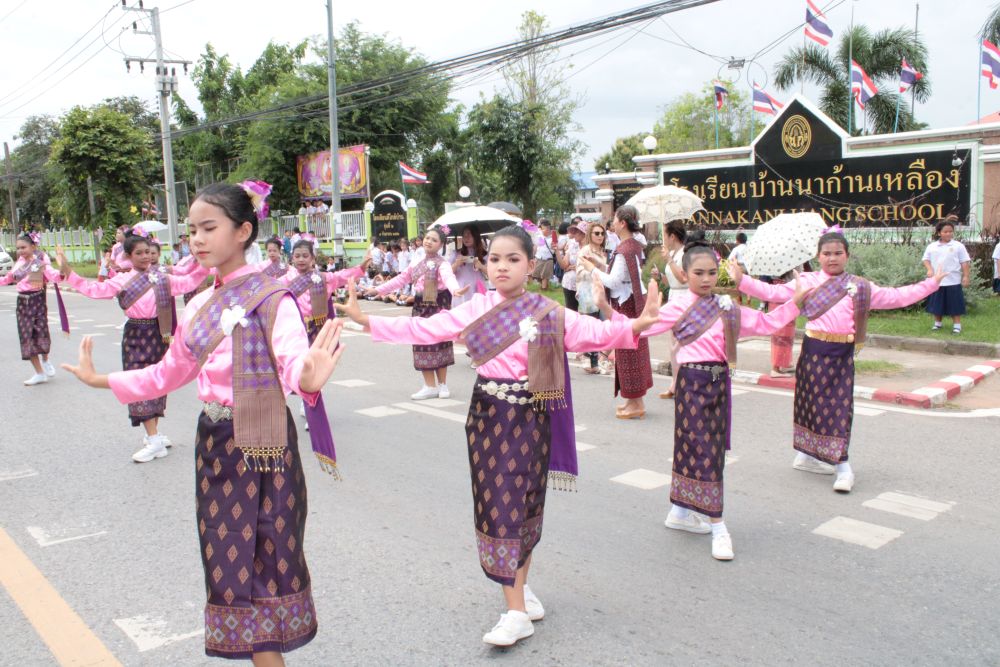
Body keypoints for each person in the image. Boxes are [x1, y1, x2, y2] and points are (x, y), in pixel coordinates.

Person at [336, 224, 662, 647]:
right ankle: (517, 604)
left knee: (524, 506)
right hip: (489, 419)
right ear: (485, 264)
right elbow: (426, 330)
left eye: (513, 259)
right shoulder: (476, 308)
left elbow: (595, 334)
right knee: (499, 508)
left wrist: (636, 325)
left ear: (531, 264)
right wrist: (367, 321)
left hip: (532, 420)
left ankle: (517, 603)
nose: (502, 267)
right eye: (494, 259)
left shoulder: (549, 312)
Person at [61, 182, 345, 664]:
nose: (196, 239)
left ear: (244, 231)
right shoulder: (197, 305)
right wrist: (103, 380)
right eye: (192, 230)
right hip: (215, 447)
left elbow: (294, 359)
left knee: (268, 568)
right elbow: (169, 372)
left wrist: (306, 379)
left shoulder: (274, 299)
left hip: (266, 448)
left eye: (209, 228)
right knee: (229, 568)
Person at [730, 230, 945, 493]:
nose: (832, 258)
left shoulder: (860, 286)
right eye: (827, 253)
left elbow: (896, 296)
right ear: (818, 256)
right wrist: (742, 280)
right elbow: (772, 292)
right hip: (813, 352)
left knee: (839, 409)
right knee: (809, 405)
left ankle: (842, 466)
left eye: (838, 253)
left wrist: (931, 284)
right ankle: (806, 455)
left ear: (847, 255)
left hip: (842, 355)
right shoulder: (806, 281)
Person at [642, 239, 809, 561]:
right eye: (698, 273)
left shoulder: (727, 308)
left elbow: (767, 322)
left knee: (708, 449)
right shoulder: (677, 307)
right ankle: (717, 525)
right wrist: (616, 316)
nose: (706, 279)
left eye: (711, 272)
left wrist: (795, 303)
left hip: (719, 384)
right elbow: (639, 329)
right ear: (684, 274)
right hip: (691, 384)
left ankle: (679, 511)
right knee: (700, 449)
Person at [57, 229, 210, 462]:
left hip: (158, 334)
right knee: (137, 382)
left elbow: (189, 282)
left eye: (148, 252)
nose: (145, 256)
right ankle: (154, 437)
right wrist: (69, 272)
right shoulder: (122, 280)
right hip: (135, 335)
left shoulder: (162, 277)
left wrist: (207, 264)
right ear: (128, 256)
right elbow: (94, 290)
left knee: (156, 382)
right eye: (139, 253)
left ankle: (153, 436)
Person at [367, 228, 469, 399]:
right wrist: (378, 290)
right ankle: (430, 386)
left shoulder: (443, 264)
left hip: (439, 305)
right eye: (427, 238)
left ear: (441, 245)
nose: (429, 241)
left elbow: (448, 278)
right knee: (422, 343)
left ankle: (443, 385)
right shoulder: (416, 263)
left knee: (441, 342)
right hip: (421, 305)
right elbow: (401, 279)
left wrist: (455, 290)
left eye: (434, 240)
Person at [582, 205, 652, 419]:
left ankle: (635, 403)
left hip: (626, 305)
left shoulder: (624, 249)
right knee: (632, 353)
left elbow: (614, 281)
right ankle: (634, 401)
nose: (611, 223)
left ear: (622, 223)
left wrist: (592, 270)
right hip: (632, 302)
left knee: (629, 354)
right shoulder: (634, 245)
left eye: (614, 219)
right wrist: (599, 265)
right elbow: (621, 275)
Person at [0, 232, 67, 385]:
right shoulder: (19, 264)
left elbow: (56, 276)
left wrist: (63, 264)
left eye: (23, 247)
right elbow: (7, 279)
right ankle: (39, 373)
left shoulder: (40, 263)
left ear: (33, 246)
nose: (20, 251)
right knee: (27, 338)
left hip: (37, 301)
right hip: (22, 303)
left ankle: (46, 359)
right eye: (18, 248)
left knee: (41, 334)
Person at [650, 220, 688, 399]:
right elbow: (671, 281)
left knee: (681, 343)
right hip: (673, 296)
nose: (663, 238)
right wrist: (660, 276)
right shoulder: (672, 253)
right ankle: (675, 382)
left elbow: (683, 278)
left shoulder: (685, 253)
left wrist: (669, 260)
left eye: (664, 234)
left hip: (684, 299)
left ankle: (682, 383)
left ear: (672, 236)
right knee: (673, 344)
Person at [922, 219, 971, 334]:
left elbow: (964, 262)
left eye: (950, 231)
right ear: (939, 233)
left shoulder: (958, 246)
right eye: (945, 232)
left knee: (955, 304)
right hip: (937, 281)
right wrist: (929, 269)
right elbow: (926, 259)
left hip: (953, 281)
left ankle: (957, 326)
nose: (948, 234)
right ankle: (937, 324)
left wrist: (966, 276)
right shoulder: (932, 246)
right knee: (937, 304)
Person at [576, 221, 609, 375]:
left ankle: (596, 360)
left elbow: (607, 272)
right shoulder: (585, 251)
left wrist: (599, 269)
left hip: (601, 292)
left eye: (602, 233)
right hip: (587, 292)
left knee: (603, 326)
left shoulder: (603, 252)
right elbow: (580, 273)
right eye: (597, 233)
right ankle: (591, 362)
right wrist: (594, 270)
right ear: (590, 234)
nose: (600, 236)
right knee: (591, 327)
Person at [450, 225, 488, 307]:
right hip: (461, 288)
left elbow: (491, 273)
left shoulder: (484, 254)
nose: (466, 238)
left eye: (469, 235)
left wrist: (481, 266)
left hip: (477, 288)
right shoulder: (456, 253)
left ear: (476, 236)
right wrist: (456, 264)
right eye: (464, 235)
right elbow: (447, 273)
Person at [555, 222, 583, 312]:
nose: (574, 234)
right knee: (571, 312)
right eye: (573, 232)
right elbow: (564, 265)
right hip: (569, 283)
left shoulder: (592, 247)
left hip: (585, 285)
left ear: (584, 234)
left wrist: (579, 267)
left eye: (576, 232)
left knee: (588, 314)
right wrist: (556, 251)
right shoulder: (572, 244)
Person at [530, 220, 555, 290]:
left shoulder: (552, 238)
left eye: (544, 229)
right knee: (536, 274)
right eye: (542, 229)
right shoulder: (539, 236)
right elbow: (536, 246)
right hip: (539, 258)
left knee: (545, 275)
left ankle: (544, 288)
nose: (542, 230)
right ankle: (544, 285)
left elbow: (555, 249)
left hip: (548, 259)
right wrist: (533, 256)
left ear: (548, 229)